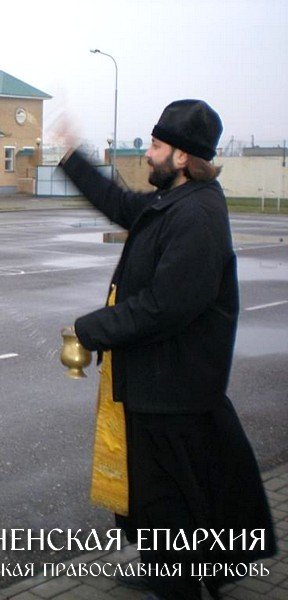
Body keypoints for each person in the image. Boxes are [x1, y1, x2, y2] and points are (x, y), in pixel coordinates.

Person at [59, 100, 276, 600]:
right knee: (163, 496)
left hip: (175, 389)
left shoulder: (197, 215)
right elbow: (117, 202)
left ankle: (181, 584)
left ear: (182, 157)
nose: (148, 154)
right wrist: (72, 157)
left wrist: (90, 329)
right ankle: (171, 572)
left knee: (168, 500)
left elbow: (166, 307)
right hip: (160, 384)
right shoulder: (173, 203)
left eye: (156, 146)